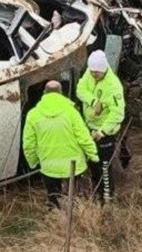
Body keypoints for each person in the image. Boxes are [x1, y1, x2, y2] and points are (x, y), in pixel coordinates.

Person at [23, 80, 99, 208]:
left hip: (49, 166)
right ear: (61, 92)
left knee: (54, 198)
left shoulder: (33, 114)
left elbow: (28, 144)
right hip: (73, 166)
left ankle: (55, 219)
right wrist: (93, 155)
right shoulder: (71, 112)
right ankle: (75, 220)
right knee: (73, 199)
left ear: (44, 93)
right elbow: (84, 137)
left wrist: (33, 162)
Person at [76, 50, 127, 202]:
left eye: (96, 73)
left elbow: (117, 114)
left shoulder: (113, 87)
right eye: (91, 72)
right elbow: (80, 90)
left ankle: (107, 197)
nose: (93, 75)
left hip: (105, 132)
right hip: (90, 126)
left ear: (104, 70)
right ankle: (96, 193)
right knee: (93, 162)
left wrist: (102, 131)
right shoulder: (89, 74)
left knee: (105, 165)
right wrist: (94, 102)